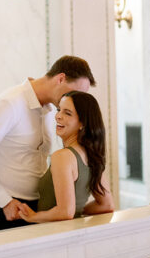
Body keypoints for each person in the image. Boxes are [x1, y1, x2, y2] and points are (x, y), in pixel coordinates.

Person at [0, 55, 96, 234]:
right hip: (0, 209)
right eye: (73, 92)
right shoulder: (10, 103)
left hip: (35, 208)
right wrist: (5, 201)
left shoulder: (53, 111)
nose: (75, 100)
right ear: (61, 78)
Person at [22, 90, 114, 223]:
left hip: (51, 234)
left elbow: (65, 212)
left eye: (67, 113)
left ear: (82, 123)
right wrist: (79, 211)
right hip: (71, 234)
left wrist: (33, 217)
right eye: (59, 109)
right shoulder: (91, 156)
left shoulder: (62, 157)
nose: (58, 116)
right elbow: (107, 205)